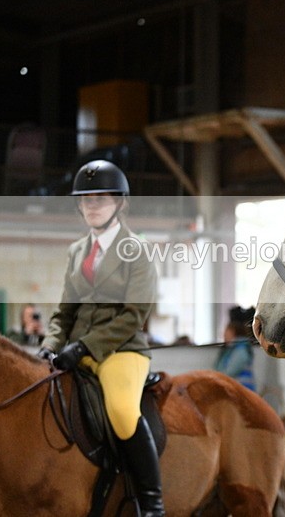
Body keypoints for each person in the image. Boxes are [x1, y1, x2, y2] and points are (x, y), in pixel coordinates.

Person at [36, 159, 164, 517]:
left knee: (123, 412)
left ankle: (152, 502)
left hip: (122, 351)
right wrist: (50, 344)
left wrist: (84, 346)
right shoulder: (77, 251)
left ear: (120, 203)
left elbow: (133, 316)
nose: (92, 206)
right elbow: (65, 312)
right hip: (75, 350)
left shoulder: (137, 250)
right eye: (86, 199)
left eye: (101, 198)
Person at [214, 306, 256, 391]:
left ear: (233, 332)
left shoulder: (240, 350)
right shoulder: (231, 349)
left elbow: (230, 372)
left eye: (226, 332)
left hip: (243, 392)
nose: (224, 335)